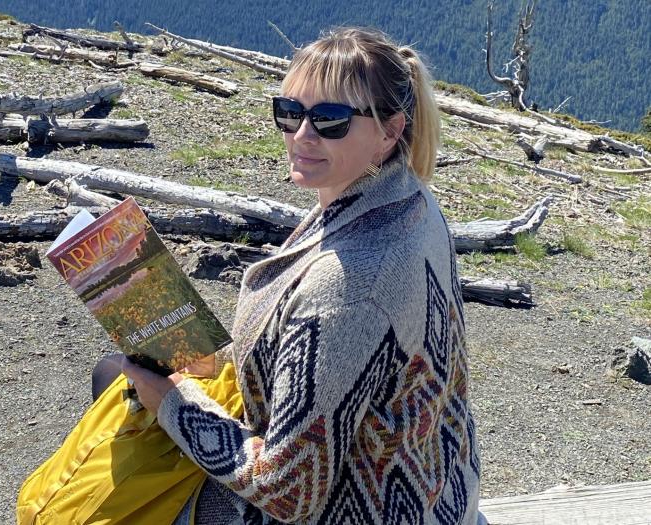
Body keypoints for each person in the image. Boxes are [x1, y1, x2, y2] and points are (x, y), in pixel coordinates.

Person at [121, 26, 481, 524]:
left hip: (354, 510)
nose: (301, 136)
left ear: (390, 131)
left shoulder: (349, 285)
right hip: (437, 491)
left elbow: (290, 490)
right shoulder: (406, 199)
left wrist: (172, 404)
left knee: (120, 438)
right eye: (289, 113)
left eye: (330, 120)